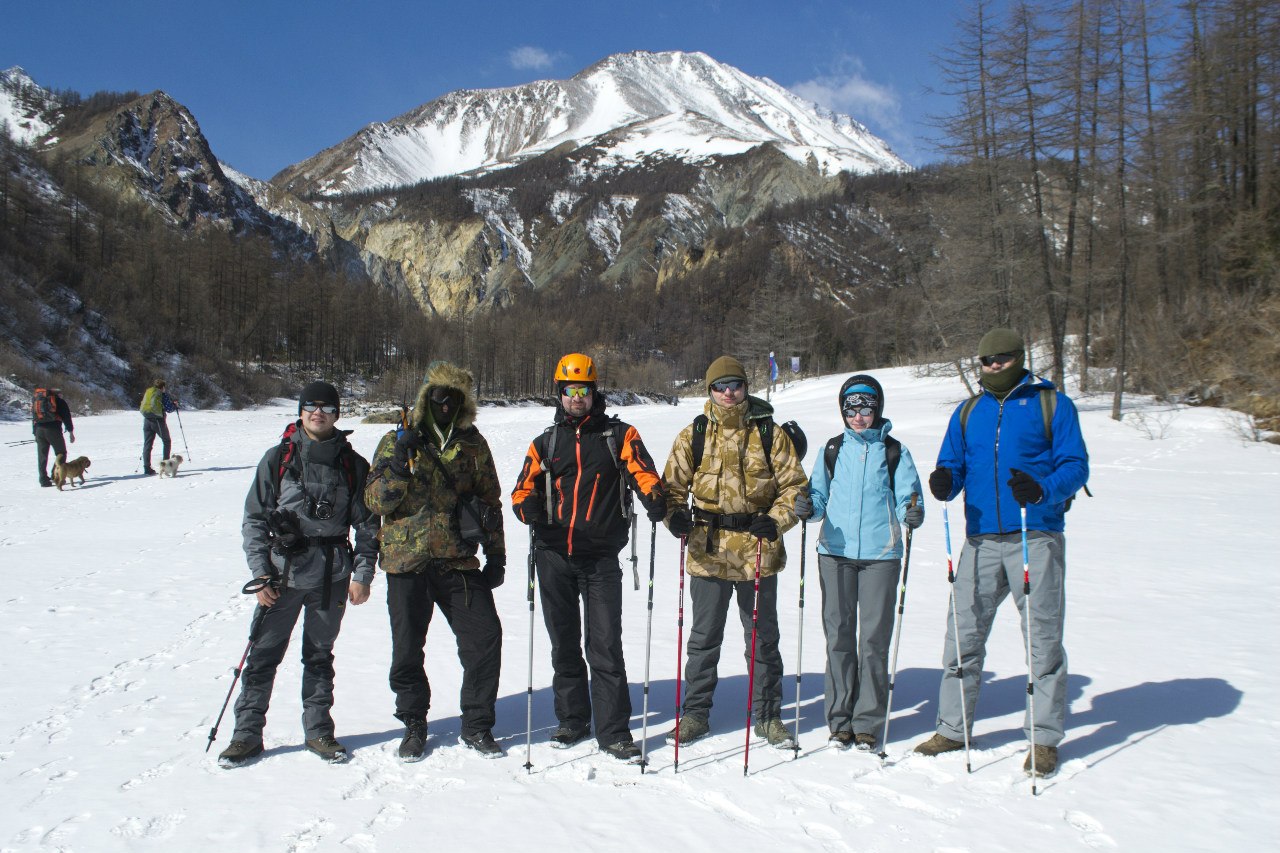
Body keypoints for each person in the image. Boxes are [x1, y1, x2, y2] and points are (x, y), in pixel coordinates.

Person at [914, 328, 1089, 778]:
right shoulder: (969, 411)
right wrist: (945, 482)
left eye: (1002, 358)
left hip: (1036, 534)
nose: (994, 366)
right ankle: (953, 728)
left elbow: (1076, 465)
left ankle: (1044, 737)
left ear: (1019, 357)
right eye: (987, 360)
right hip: (980, 540)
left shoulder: (1051, 404)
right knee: (962, 636)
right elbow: (952, 463)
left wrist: (1043, 489)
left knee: (1042, 639)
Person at [510, 353, 667, 761]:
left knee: (605, 647)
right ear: (559, 394)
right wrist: (526, 509)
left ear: (595, 392)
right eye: (569, 391)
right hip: (553, 556)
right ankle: (572, 720)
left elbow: (643, 472)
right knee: (563, 645)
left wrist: (654, 497)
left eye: (584, 391)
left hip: (599, 560)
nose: (577, 398)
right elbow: (521, 489)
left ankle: (613, 731)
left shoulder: (619, 435)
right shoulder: (545, 442)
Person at [218, 381, 380, 767]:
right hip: (280, 577)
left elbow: (370, 526)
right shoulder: (277, 459)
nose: (318, 412)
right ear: (301, 411)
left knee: (319, 656)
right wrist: (260, 574)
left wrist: (363, 574)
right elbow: (254, 520)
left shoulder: (353, 466)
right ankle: (246, 735)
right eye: (311, 406)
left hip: (333, 576)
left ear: (338, 413)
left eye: (326, 406)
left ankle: (319, 731)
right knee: (263, 656)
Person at [662, 355, 807, 748]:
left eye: (735, 385)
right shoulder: (693, 433)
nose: (728, 393)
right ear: (709, 390)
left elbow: (794, 487)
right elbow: (671, 489)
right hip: (707, 550)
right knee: (703, 637)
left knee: (762, 639)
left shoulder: (769, 433)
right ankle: (694, 714)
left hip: (758, 550)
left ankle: (767, 715)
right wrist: (673, 517)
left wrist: (776, 520)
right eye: (720, 386)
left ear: (745, 388)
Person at [364, 361, 507, 761]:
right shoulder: (397, 441)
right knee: (407, 649)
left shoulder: (472, 443)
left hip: (457, 560)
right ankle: (413, 723)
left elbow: (489, 501)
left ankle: (477, 725)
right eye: (439, 397)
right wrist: (397, 468)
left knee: (484, 638)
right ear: (427, 398)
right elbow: (375, 501)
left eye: (454, 398)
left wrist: (497, 555)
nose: (446, 405)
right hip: (405, 561)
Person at [794, 374, 923, 752]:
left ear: (877, 409)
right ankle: (839, 721)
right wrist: (808, 507)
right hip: (834, 554)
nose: (859, 416)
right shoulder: (832, 449)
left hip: (881, 556)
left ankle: (866, 722)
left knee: (872, 639)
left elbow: (908, 496)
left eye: (866, 408)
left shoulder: (894, 451)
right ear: (843, 411)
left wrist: (912, 512)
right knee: (838, 637)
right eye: (852, 409)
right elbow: (818, 495)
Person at [32, 386, 74, 488]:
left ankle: (43, 480)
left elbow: (34, 417)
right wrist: (71, 432)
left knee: (42, 456)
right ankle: (56, 476)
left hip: (39, 430)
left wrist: (34, 432)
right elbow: (67, 417)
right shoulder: (59, 401)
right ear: (57, 394)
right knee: (61, 453)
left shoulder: (36, 400)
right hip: (53, 430)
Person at [139, 378, 178, 475]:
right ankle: (166, 465)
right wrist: (175, 405)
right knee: (167, 441)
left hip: (147, 419)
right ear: (163, 387)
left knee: (148, 444)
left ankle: (147, 468)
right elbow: (169, 409)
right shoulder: (161, 394)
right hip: (158, 421)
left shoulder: (149, 392)